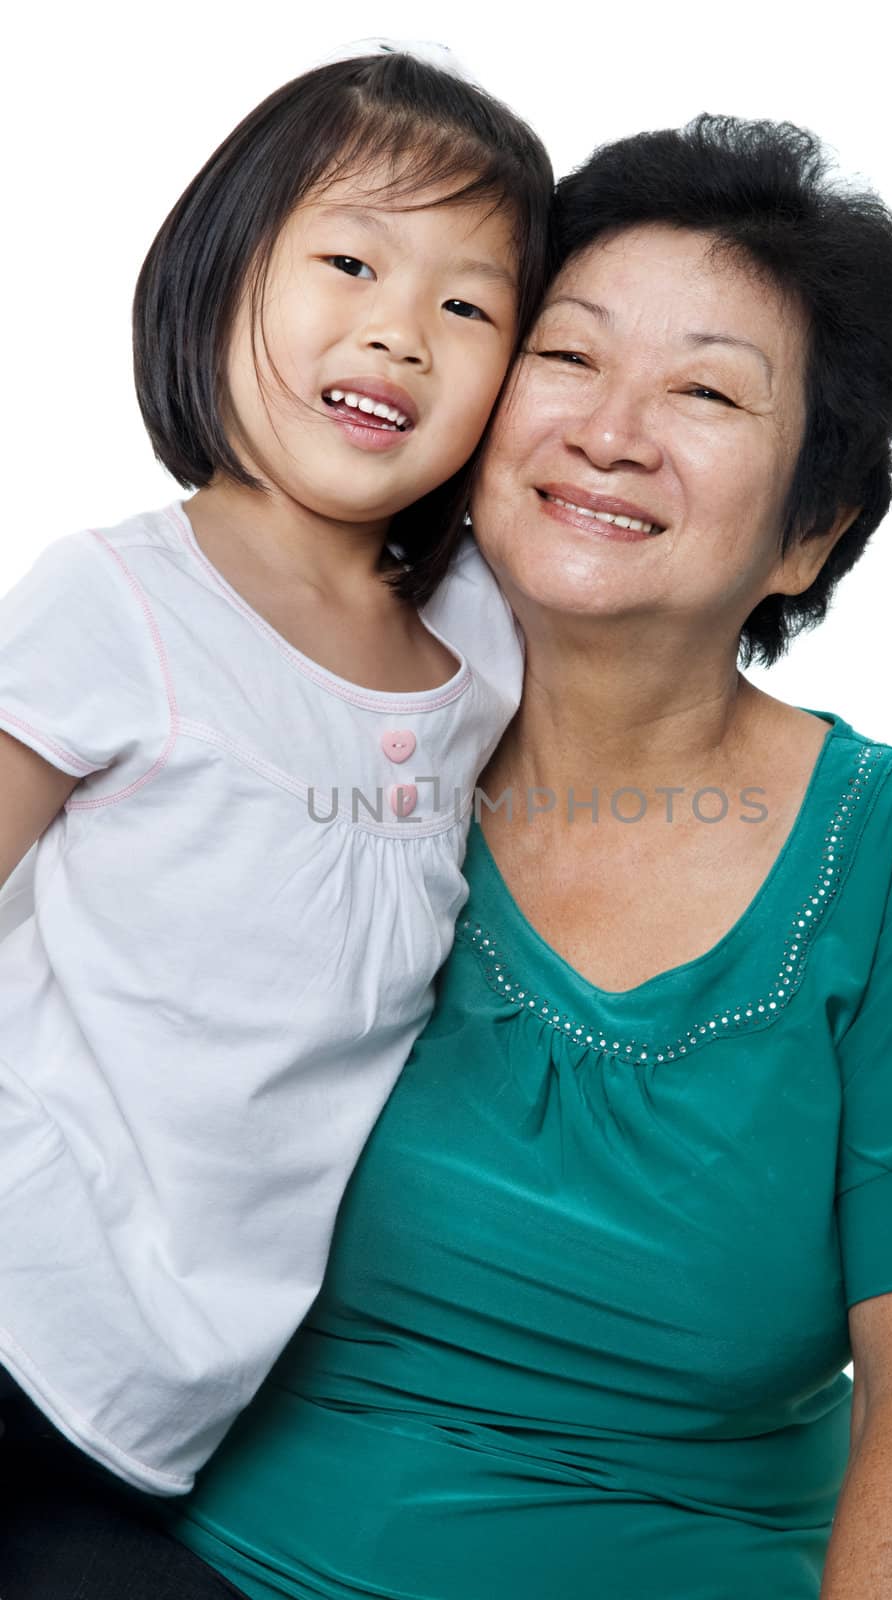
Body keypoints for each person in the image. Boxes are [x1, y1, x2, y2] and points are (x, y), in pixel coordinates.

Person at [5, 113, 892, 1600]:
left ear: (810, 530)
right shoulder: (297, 739)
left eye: (705, 391)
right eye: (568, 356)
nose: (613, 429)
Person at [0, 44, 552, 1503]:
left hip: (177, 1399)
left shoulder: (484, 644)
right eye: (352, 262)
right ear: (227, 270)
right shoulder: (118, 601)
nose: (401, 333)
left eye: (467, 303)